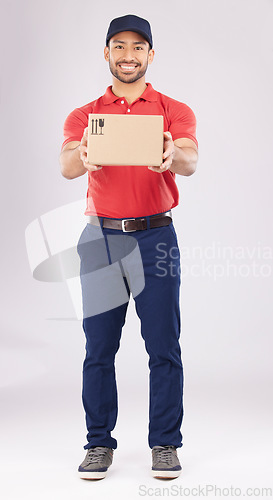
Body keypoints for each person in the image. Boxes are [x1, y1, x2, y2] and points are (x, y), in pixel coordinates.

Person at [60, 14, 198, 480]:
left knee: (163, 347)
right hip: (100, 239)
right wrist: (80, 155)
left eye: (138, 48)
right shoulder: (85, 116)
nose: (128, 55)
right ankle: (98, 443)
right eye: (119, 46)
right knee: (99, 348)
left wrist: (170, 155)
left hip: (156, 235)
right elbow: (66, 167)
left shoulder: (172, 109)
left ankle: (165, 443)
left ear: (150, 55)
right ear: (107, 53)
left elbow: (190, 158)